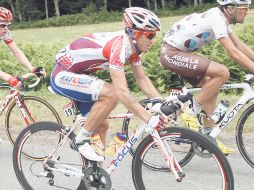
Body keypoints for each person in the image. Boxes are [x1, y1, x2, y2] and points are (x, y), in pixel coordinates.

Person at [50, 7, 165, 161]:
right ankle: (81, 140)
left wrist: (162, 104)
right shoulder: (118, 47)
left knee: (101, 126)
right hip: (63, 74)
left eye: (154, 35)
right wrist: (148, 118)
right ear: (136, 33)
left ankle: (94, 177)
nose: (153, 40)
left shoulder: (134, 50)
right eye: (150, 35)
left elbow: (142, 79)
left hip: (80, 75)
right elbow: (122, 92)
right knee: (112, 94)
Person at [160, 0, 253, 155]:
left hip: (180, 54)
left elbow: (240, 46)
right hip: (171, 53)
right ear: (230, 8)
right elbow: (232, 51)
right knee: (222, 72)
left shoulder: (223, 19)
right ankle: (189, 112)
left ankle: (208, 138)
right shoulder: (216, 17)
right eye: (244, 8)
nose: (247, 12)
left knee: (212, 88)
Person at [0, 7, 46, 143]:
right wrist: (9, 78)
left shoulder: (4, 33)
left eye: (7, 25)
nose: (5, 29)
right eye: (2, 25)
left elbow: (16, 51)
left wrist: (32, 68)